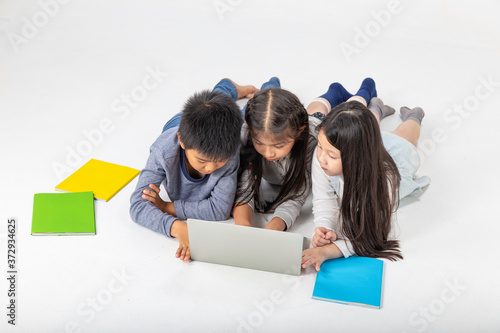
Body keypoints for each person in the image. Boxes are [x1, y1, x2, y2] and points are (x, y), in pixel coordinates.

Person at [301, 78, 430, 271]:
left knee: (403, 136)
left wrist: (329, 251)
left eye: (331, 155)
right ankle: (376, 108)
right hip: (361, 145)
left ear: (356, 157)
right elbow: (323, 199)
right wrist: (324, 227)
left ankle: (414, 115)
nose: (321, 158)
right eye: (320, 147)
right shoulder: (326, 150)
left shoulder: (385, 181)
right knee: (364, 126)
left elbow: (375, 236)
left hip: (396, 157)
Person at [129, 79, 257, 261]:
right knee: (209, 106)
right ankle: (228, 87)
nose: (211, 168)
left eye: (219, 161)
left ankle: (266, 90)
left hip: (216, 131)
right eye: (202, 160)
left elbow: (219, 209)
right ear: (182, 141)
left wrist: (167, 207)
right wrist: (177, 227)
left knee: (250, 119)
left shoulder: (230, 151)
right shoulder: (163, 151)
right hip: (177, 123)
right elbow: (137, 206)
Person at [229, 77, 321, 232]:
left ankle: (337, 91)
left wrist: (272, 231)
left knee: (318, 111)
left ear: (299, 132)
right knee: (269, 103)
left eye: (278, 146)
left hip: (315, 121)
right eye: (259, 143)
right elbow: (244, 186)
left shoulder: (312, 141)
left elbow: (296, 197)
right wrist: (243, 226)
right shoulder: (247, 132)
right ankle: (271, 84)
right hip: (285, 120)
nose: (268, 152)